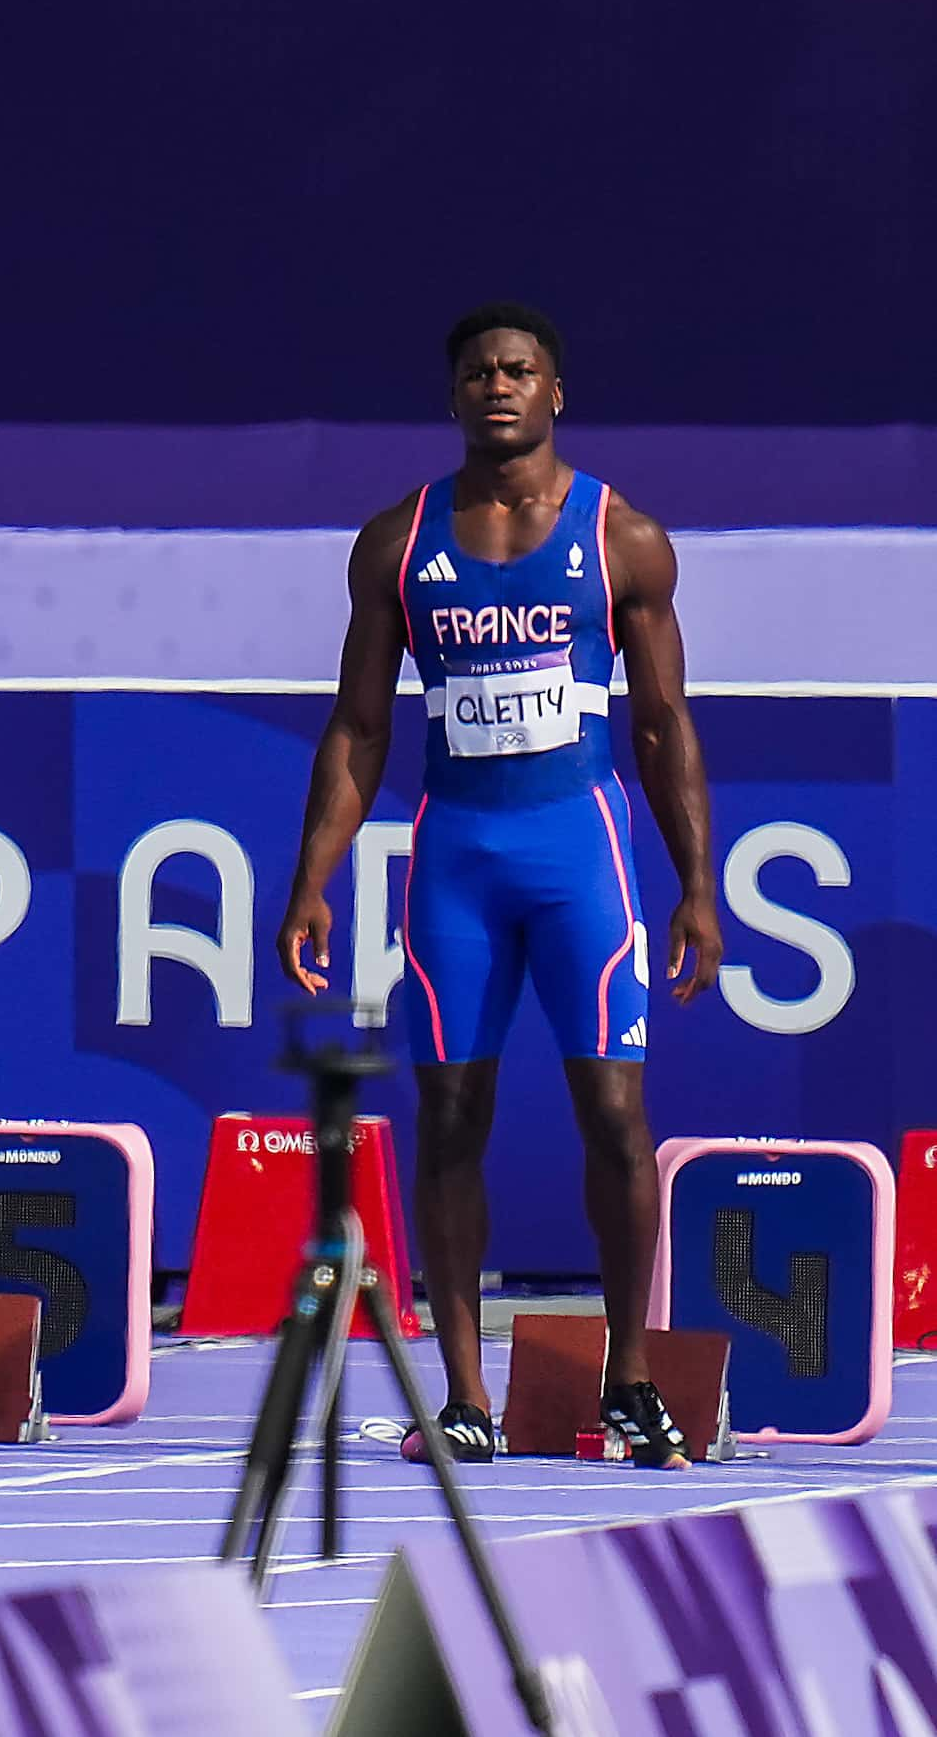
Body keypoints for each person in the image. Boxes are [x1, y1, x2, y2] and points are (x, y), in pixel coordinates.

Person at [277, 302, 721, 1470]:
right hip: (457, 861)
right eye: (477, 372)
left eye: (520, 370)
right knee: (451, 1123)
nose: (498, 386)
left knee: (616, 1119)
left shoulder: (623, 538)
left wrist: (696, 888)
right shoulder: (397, 541)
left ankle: (629, 1377)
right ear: (454, 394)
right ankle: (463, 1396)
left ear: (556, 391)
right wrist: (311, 878)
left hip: (578, 854)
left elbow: (665, 725)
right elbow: (358, 726)